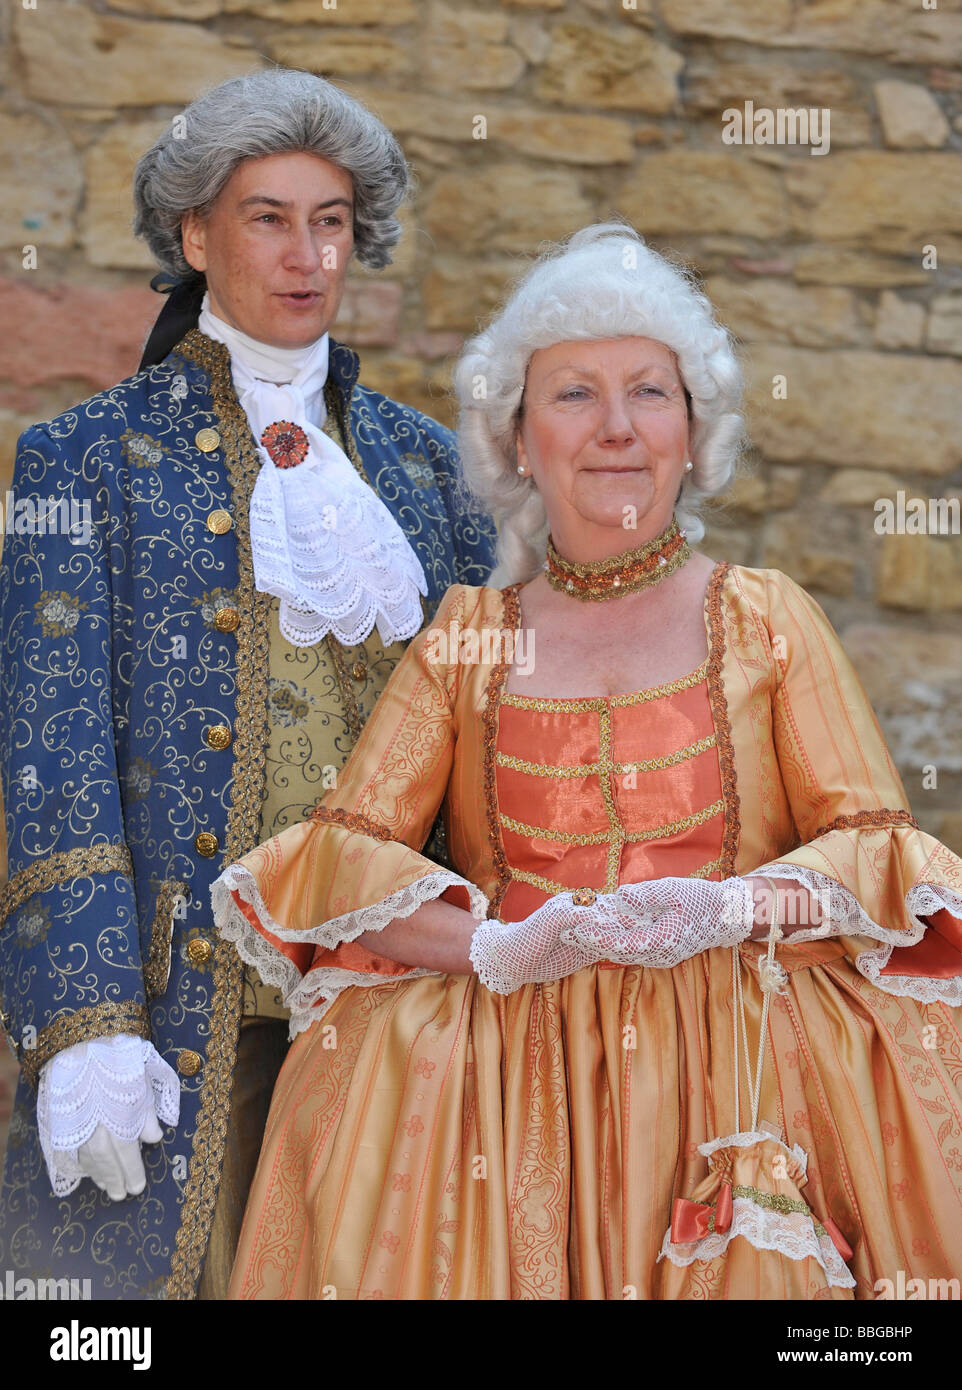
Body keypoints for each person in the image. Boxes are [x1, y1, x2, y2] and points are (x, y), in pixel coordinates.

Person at [212, 222, 962, 1300]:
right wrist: (499, 948)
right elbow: (344, 872)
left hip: (739, 1065)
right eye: (572, 395)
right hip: (512, 1092)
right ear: (518, 439)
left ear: (693, 434)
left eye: (649, 393)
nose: (615, 427)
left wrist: (735, 910)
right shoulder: (468, 631)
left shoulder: (766, 616)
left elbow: (877, 856)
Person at [0, 67, 495, 1301]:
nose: (305, 252)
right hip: (177, 1008)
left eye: (329, 221)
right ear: (194, 235)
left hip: (391, 1005)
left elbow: (493, 739)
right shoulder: (83, 455)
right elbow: (48, 750)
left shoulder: (429, 470)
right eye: (268, 217)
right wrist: (84, 1021)